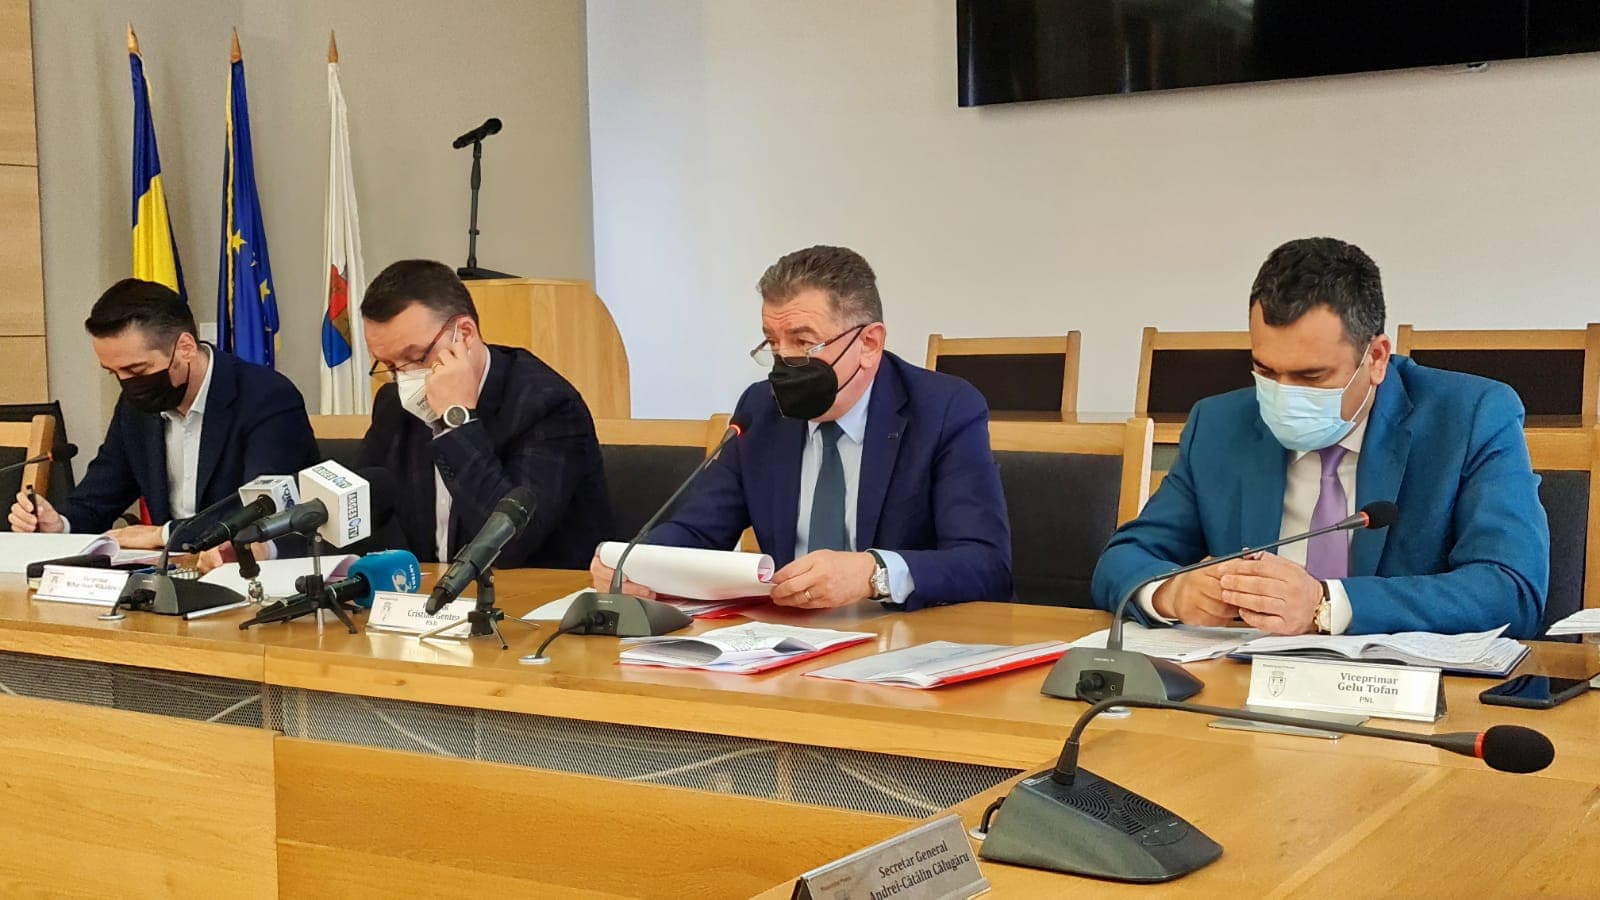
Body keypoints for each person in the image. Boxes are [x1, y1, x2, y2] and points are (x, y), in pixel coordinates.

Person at [1092, 237, 1549, 638]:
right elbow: (1125, 558)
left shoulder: (1470, 417)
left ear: (1376, 358)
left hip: (1401, 694)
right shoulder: (1219, 424)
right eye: (1266, 371)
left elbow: (1511, 589)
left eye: (1311, 377)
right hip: (1241, 683)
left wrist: (1326, 605)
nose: (1284, 394)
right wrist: (1173, 592)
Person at [591, 245, 1012, 610]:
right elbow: (699, 529)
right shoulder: (762, 409)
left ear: (869, 344)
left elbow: (985, 564)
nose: (784, 362)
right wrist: (637, 562)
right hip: (785, 639)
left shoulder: (943, 409)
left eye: (804, 342)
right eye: (773, 343)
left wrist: (873, 573)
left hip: (903, 641)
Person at [7, 278, 318, 548]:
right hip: (167, 572)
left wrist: (163, 534)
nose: (127, 384)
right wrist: (60, 524)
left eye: (136, 370)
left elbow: (262, 508)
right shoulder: (136, 406)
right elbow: (99, 496)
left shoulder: (266, 397)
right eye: (113, 373)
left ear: (185, 348)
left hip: (252, 570)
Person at [357, 259, 610, 568]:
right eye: (390, 366)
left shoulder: (547, 405)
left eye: (417, 357)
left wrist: (457, 421)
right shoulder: (393, 405)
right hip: (432, 591)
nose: (405, 379)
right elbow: (364, 512)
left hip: (538, 592)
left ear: (465, 334)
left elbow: (508, 545)